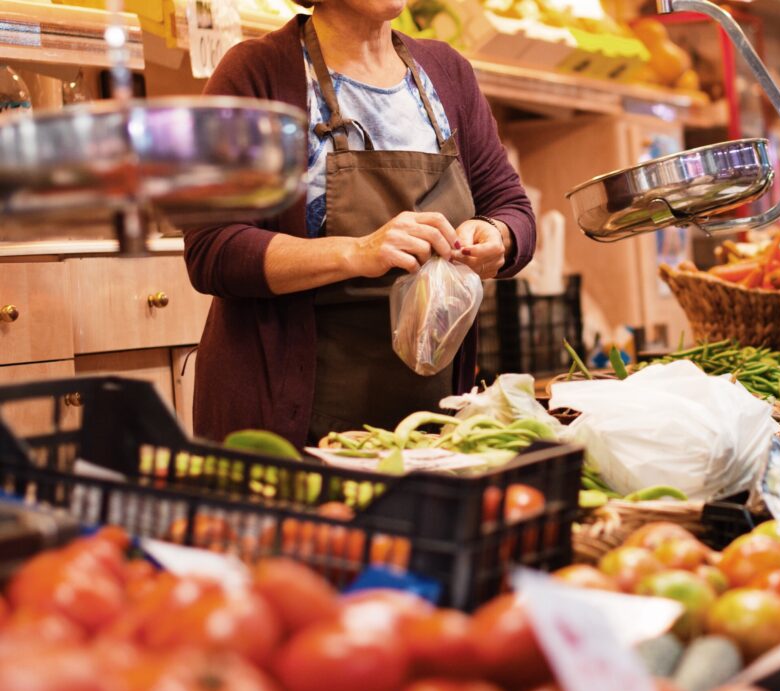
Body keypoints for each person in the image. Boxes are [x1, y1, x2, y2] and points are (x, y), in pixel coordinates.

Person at [184, 0, 535, 447]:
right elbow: (213, 247)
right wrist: (357, 252)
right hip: (292, 425)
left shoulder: (448, 73)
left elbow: (511, 208)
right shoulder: (257, 73)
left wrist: (496, 236)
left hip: (430, 428)